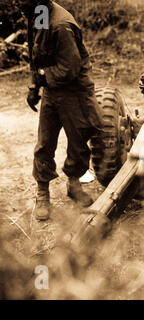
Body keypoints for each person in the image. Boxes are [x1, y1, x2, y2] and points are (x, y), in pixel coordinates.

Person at [18, 0, 104, 220]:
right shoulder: (38, 12)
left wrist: (43, 76)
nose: (21, 8)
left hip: (73, 90)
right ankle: (42, 193)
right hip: (52, 90)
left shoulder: (61, 25)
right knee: (45, 143)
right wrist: (33, 85)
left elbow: (70, 68)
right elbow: (36, 53)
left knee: (78, 141)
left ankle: (74, 186)